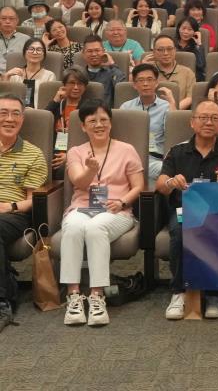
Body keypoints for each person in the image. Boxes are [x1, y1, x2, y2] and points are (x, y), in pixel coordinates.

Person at [157, 100, 218, 320]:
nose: (208, 122)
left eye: (214, 118)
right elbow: (160, 184)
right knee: (180, 232)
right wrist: (171, 183)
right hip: (185, 210)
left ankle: (215, 294)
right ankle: (178, 292)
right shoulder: (177, 151)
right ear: (192, 122)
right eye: (203, 117)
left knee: (217, 230)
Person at [60, 99, 144, 326]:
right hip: (82, 207)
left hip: (117, 210)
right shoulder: (76, 152)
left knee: (96, 227)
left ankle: (97, 296)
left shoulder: (126, 150)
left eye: (103, 120)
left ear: (111, 122)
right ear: (83, 126)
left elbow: (138, 186)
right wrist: (90, 170)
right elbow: (79, 181)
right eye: (92, 121)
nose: (99, 125)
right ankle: (73, 295)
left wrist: (123, 202)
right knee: (73, 227)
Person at [0, 93, 48, 332]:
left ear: (22, 119)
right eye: (3, 113)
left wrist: (9, 206)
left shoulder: (33, 153)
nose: (9, 119)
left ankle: (3, 301)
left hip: (14, 214)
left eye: (15, 114)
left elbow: (32, 200)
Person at [119, 63, 176, 183]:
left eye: (150, 79)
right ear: (134, 85)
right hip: (130, 158)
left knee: (168, 170)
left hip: (155, 160)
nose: (145, 84)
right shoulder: (126, 107)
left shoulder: (166, 106)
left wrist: (172, 104)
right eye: (141, 80)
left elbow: (173, 134)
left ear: (156, 82)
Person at [46, 68, 90, 179]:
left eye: (80, 84)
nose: (76, 87)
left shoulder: (89, 108)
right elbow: (42, 123)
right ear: (64, 85)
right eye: (71, 83)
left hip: (78, 152)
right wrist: (55, 101)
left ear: (85, 87)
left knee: (62, 169)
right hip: (54, 151)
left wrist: (70, 155)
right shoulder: (57, 105)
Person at [142, 34, 195, 109]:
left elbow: (190, 98)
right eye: (160, 50)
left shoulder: (187, 72)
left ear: (175, 50)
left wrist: (173, 110)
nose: (166, 53)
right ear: (153, 52)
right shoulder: (148, 70)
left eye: (169, 49)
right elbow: (136, 89)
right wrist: (142, 69)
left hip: (177, 112)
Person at [1, 37, 56, 108]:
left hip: (38, 112)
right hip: (15, 111)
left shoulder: (49, 76)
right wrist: (6, 76)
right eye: (31, 49)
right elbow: (5, 98)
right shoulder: (15, 74)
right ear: (24, 53)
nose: (35, 52)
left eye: (39, 50)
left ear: (43, 54)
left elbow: (48, 102)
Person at [81, 35, 126, 106]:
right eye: (89, 51)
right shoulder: (80, 74)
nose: (94, 54)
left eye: (97, 50)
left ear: (104, 52)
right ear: (83, 54)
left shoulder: (112, 72)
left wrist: (112, 64)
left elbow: (122, 89)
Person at [174, 16, 206, 82]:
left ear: (195, 32)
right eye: (183, 28)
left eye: (190, 29)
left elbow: (201, 65)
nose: (186, 32)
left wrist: (199, 44)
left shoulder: (196, 47)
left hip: (192, 78)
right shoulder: (172, 44)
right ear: (178, 29)